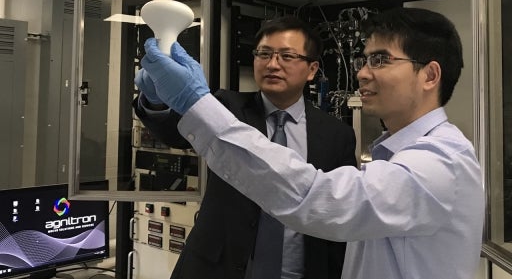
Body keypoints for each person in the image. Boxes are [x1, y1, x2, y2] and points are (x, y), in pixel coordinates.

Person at [136, 7, 485, 279]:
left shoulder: (439, 163)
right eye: (364, 60)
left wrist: (195, 102)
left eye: (380, 60)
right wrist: (167, 102)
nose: (363, 73)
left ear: (430, 75)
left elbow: (319, 200)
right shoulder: (394, 154)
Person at [133, 16, 357, 279]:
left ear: (312, 70)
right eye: (264, 54)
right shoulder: (226, 107)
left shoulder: (336, 134)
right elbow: (176, 133)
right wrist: (157, 101)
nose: (273, 64)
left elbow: (337, 213)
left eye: (286, 56)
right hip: (216, 270)